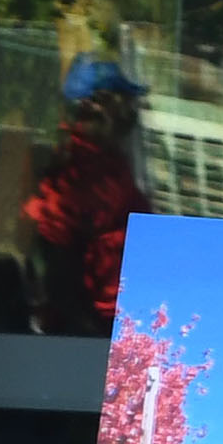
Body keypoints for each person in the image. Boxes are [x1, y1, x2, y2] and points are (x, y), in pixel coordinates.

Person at [23, 54, 151, 332]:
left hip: (117, 314)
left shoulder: (102, 164)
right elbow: (59, 267)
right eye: (121, 102)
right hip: (98, 323)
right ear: (96, 107)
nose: (130, 112)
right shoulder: (79, 175)